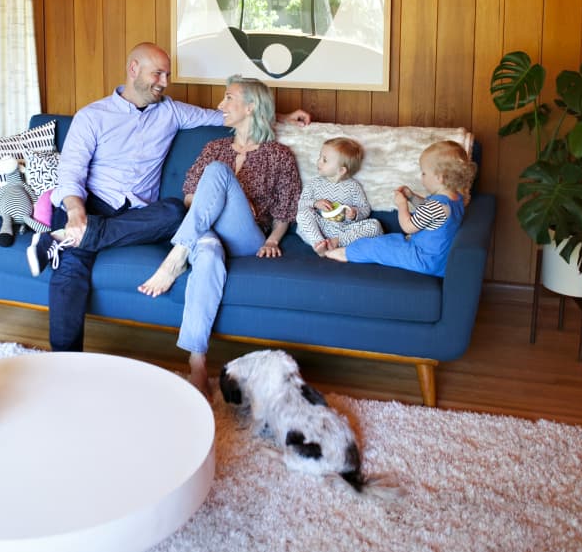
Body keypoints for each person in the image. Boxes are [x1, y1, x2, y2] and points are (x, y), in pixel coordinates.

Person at [26, 43, 310, 365]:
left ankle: (65, 239)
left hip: (139, 214)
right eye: (157, 74)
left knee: (175, 210)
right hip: (90, 203)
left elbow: (231, 115)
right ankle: (64, 364)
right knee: (71, 268)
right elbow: (71, 173)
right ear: (133, 69)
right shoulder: (92, 116)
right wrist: (76, 213)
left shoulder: (172, 111)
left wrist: (280, 116)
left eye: (167, 75)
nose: (164, 82)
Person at [137, 75, 303, 396]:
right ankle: (197, 363)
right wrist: (216, 205)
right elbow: (189, 199)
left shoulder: (278, 155)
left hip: (246, 236)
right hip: (207, 233)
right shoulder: (214, 147)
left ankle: (176, 256)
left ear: (251, 107)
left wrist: (272, 240)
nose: (220, 105)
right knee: (209, 252)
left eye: (228, 98)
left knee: (217, 172)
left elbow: (285, 212)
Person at [324, 140, 477, 277]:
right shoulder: (455, 199)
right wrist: (412, 197)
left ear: (439, 177)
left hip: (421, 258)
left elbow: (408, 227)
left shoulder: (435, 206)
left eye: (424, 173)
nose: (421, 177)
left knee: (377, 246)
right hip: (438, 261)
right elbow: (429, 212)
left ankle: (346, 253)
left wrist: (402, 205)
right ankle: (350, 249)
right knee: (390, 240)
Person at [296, 137, 383, 255]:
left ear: (341, 170)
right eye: (319, 157)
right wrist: (315, 203)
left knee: (375, 225)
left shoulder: (353, 186)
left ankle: (335, 243)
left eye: (324, 160)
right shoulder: (313, 184)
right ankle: (320, 244)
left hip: (344, 230)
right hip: (319, 227)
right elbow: (301, 204)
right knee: (302, 214)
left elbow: (365, 208)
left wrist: (354, 213)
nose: (318, 161)